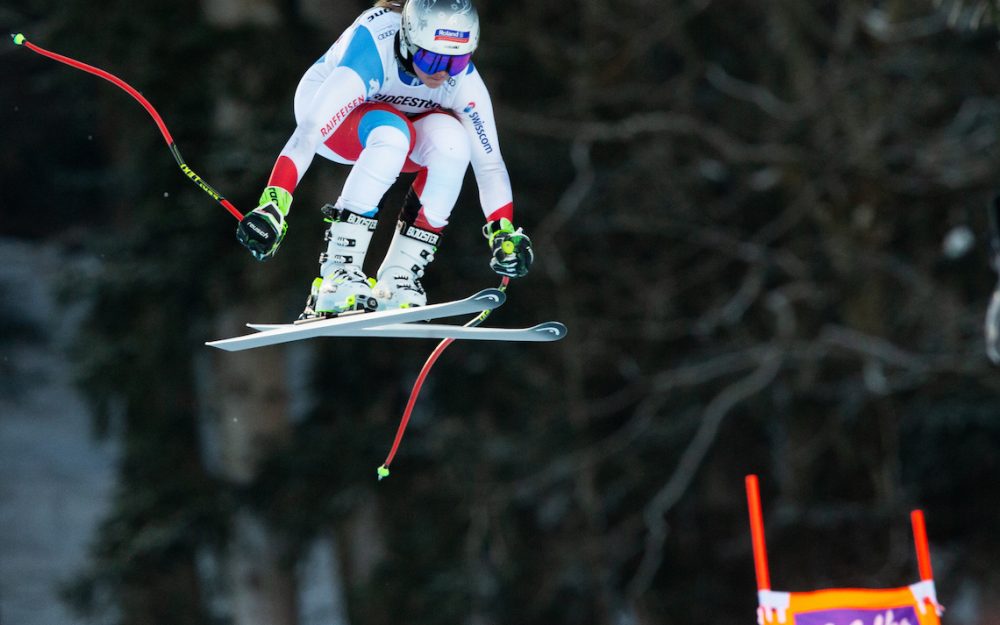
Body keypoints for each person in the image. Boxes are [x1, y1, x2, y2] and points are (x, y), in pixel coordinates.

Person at [236, 0, 533, 318]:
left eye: (457, 62)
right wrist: (273, 207)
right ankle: (336, 277)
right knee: (392, 133)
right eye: (432, 60)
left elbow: (489, 164)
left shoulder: (461, 81)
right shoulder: (373, 50)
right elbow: (308, 132)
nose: (444, 73)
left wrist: (503, 233)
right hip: (337, 123)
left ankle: (399, 277)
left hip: (402, 129)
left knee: (454, 141)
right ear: (408, 41)